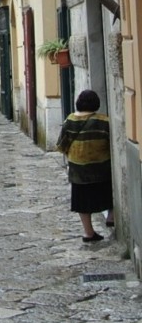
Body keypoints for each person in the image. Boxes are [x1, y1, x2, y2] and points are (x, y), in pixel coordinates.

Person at [59, 89, 114, 242]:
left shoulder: (70, 120)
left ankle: (89, 233)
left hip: (78, 170)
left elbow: (62, 145)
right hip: (101, 168)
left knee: (82, 201)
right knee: (108, 192)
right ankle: (111, 216)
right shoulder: (105, 121)